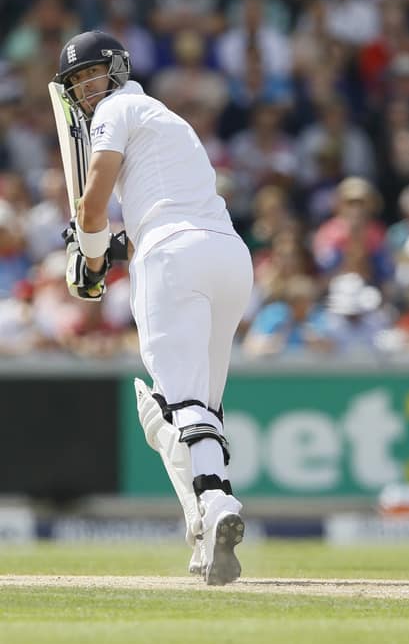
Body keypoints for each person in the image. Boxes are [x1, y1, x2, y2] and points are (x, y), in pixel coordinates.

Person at [53, 30, 253, 585]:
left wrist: (91, 258)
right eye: (76, 83)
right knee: (193, 408)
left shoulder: (115, 110)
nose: (86, 89)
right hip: (228, 254)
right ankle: (208, 524)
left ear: (116, 69)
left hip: (172, 257)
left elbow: (94, 200)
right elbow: (158, 208)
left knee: (180, 400)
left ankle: (215, 506)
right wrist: (111, 248)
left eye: (91, 74)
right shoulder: (169, 119)